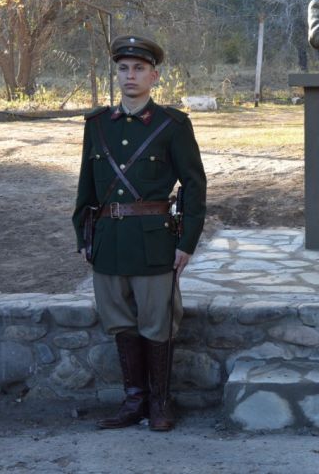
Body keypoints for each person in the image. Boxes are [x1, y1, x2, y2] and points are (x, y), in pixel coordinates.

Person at [72, 35, 207, 432]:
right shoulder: (97, 125)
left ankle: (161, 402)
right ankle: (134, 401)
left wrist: (187, 243)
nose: (130, 75)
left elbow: (195, 186)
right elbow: (86, 186)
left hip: (154, 240)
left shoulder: (173, 125)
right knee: (120, 322)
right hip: (109, 240)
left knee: (157, 322)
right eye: (123, 68)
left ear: (154, 75)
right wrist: (83, 234)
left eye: (139, 69)